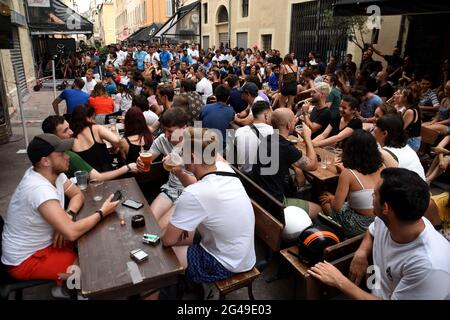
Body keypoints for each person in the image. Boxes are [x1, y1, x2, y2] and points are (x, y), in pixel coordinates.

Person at [1, 134, 120, 292]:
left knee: (94, 245)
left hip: (44, 243)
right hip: (25, 259)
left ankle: (66, 284)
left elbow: (77, 195)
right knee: (90, 269)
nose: (67, 156)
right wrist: (102, 212)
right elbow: (71, 233)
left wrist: (68, 215)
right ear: (45, 161)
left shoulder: (52, 173)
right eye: (61, 154)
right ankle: (72, 289)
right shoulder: (39, 189)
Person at [309, 168, 450, 300]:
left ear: (386, 208)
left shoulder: (429, 267)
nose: (371, 196)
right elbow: (372, 231)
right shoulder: (395, 219)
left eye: (375, 194)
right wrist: (362, 253)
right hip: (374, 287)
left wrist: (340, 281)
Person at [161, 127, 256, 284]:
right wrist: (179, 172)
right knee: (181, 234)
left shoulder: (195, 194)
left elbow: (167, 240)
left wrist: (179, 229)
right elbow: (203, 190)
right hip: (244, 254)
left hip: (225, 263)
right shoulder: (224, 169)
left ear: (192, 156)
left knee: (163, 254)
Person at [251, 108, 321, 218]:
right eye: (294, 121)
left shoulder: (267, 139)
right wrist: (307, 138)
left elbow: (282, 158)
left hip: (261, 195)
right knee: (319, 209)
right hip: (275, 204)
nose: (295, 122)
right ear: (289, 125)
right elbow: (313, 165)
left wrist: (297, 169)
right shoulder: (285, 147)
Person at [320, 130, 383, 237]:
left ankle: (339, 234)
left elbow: (336, 207)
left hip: (358, 225)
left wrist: (332, 198)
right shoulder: (382, 167)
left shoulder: (348, 173)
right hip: (379, 220)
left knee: (324, 199)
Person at [42, 115, 137, 180]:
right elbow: (97, 177)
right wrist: (127, 168)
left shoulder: (45, 152)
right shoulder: (69, 156)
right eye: (65, 131)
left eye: (69, 128)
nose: (71, 132)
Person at [147, 108, 195, 226]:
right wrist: (141, 162)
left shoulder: (197, 142)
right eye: (164, 130)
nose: (167, 135)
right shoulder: (162, 140)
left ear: (184, 128)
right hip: (171, 189)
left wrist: (178, 169)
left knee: (163, 229)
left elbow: (202, 183)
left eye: (171, 131)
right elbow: (147, 160)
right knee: (150, 222)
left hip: (191, 194)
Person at [374, 114, 426, 180]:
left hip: (409, 189)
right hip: (421, 187)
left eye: (376, 126)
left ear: (385, 133)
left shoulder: (384, 154)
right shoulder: (406, 147)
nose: (374, 128)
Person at [70, 105, 118, 173]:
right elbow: (116, 140)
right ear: (87, 118)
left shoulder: (71, 136)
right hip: (107, 173)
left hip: (87, 177)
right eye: (94, 117)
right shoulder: (96, 128)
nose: (95, 120)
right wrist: (114, 148)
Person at [234, 101, 274, 173]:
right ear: (266, 115)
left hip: (243, 176)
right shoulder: (272, 132)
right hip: (260, 178)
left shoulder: (239, 131)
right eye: (271, 114)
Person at [200, 85, 235, 150]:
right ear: (228, 97)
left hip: (204, 144)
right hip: (221, 146)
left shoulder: (205, 108)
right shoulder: (231, 111)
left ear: (215, 96)